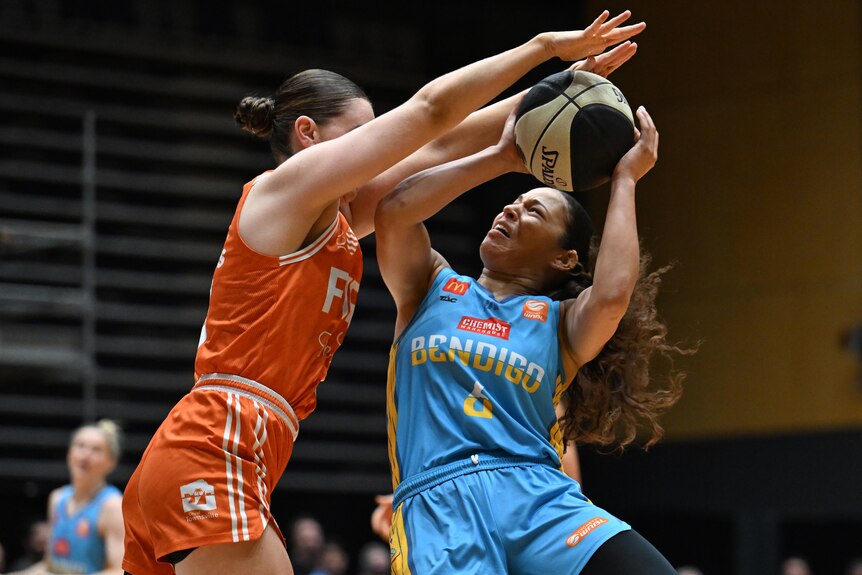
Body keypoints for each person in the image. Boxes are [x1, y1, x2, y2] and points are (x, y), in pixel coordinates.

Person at [119, 10, 646, 575]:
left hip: (226, 453)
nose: (381, 156)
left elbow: (440, 148)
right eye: (364, 138)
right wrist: (543, 48)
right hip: (214, 444)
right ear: (308, 135)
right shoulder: (285, 192)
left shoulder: (334, 220)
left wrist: (553, 99)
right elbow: (430, 113)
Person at [371, 69, 692, 571]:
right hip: (440, 503)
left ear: (565, 259)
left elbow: (610, 296)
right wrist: (501, 160)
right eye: (514, 202)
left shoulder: (561, 325)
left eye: (534, 212)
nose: (511, 210)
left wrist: (626, 180)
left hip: (537, 495)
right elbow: (394, 212)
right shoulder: (430, 287)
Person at [6, 421, 124, 575]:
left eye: (96, 449)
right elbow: (50, 566)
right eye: (80, 446)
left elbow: (119, 571)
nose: (85, 454)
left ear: (111, 462)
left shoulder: (112, 506)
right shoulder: (57, 498)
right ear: (69, 454)